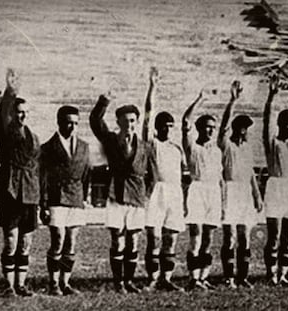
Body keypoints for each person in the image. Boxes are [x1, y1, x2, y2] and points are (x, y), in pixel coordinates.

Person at [90, 88, 155, 294]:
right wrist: (104, 100)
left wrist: (146, 194)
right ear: (118, 122)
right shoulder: (110, 140)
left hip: (136, 196)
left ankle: (129, 281)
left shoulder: (145, 146)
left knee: (133, 240)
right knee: (117, 239)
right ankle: (118, 282)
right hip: (116, 194)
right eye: (125, 120)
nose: (130, 124)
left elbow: (151, 174)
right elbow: (95, 121)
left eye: (133, 120)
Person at [0, 68, 40, 297]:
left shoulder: (34, 137)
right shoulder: (5, 132)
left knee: (26, 243)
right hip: (11, 192)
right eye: (19, 112)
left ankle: (22, 284)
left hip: (30, 194)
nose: (23, 116)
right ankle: (8, 285)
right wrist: (11, 91)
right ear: (13, 113)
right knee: (11, 240)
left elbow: (38, 169)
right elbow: (1, 116)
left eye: (25, 112)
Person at [141, 68, 186, 292]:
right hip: (156, 193)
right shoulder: (152, 143)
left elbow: (184, 176)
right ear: (158, 128)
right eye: (164, 126)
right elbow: (148, 113)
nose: (168, 130)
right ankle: (152, 278)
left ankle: (166, 279)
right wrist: (153, 87)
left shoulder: (177, 148)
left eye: (171, 127)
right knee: (154, 239)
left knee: (171, 239)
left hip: (175, 193)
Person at [39, 105, 90, 295]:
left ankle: (65, 282)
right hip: (56, 199)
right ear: (59, 122)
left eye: (75, 123)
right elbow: (42, 178)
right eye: (68, 123)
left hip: (76, 199)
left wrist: (84, 199)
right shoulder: (47, 148)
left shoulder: (84, 147)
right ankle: (53, 284)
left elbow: (86, 175)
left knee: (71, 242)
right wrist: (43, 205)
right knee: (58, 240)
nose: (72, 127)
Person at [218, 81, 263, 289]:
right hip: (230, 190)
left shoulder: (247, 147)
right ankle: (228, 277)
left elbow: (251, 173)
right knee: (230, 237)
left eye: (247, 128)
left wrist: (257, 195)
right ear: (238, 129)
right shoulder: (226, 145)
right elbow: (223, 126)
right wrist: (233, 101)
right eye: (244, 127)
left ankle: (242, 276)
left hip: (245, 191)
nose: (246, 131)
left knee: (245, 237)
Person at [262, 74, 288, 287]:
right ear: (279, 125)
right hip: (276, 186)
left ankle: (283, 274)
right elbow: (266, 120)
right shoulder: (272, 142)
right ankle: (271, 274)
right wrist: (271, 97)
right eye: (287, 124)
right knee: (275, 234)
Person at [182, 88, 222, 290]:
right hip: (197, 190)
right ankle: (193, 277)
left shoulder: (216, 150)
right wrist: (200, 99)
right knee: (196, 235)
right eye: (206, 127)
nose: (210, 131)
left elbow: (220, 177)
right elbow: (185, 122)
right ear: (199, 128)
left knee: (209, 236)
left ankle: (204, 276)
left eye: (212, 128)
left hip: (213, 191)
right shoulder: (192, 148)